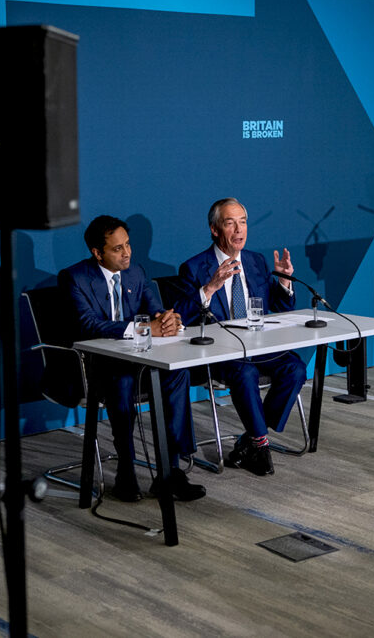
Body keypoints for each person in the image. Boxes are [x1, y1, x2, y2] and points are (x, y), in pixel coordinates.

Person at [59, 215, 205, 502]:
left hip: (138, 359)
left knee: (178, 373)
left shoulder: (135, 272)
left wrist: (166, 320)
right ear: (97, 253)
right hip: (96, 366)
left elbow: (154, 309)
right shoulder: (74, 277)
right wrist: (142, 328)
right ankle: (125, 471)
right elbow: (88, 324)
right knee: (122, 381)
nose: (126, 253)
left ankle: (170, 471)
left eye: (127, 244)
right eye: (117, 249)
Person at [175, 198, 307, 476]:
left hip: (258, 344)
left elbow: (281, 309)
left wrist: (284, 281)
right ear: (215, 229)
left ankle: (251, 439)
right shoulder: (194, 267)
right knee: (246, 374)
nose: (239, 230)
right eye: (230, 223)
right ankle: (260, 444)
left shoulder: (256, 261)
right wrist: (210, 287)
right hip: (220, 352)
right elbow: (181, 318)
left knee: (295, 367)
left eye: (243, 222)